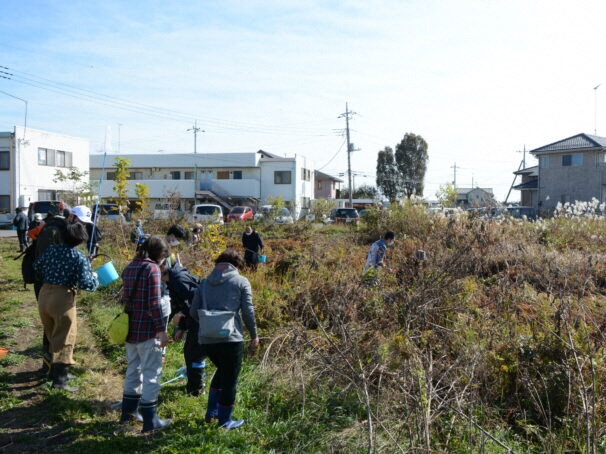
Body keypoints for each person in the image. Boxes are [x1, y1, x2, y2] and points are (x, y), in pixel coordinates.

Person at [190, 248, 259, 429]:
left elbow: (192, 311)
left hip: (207, 339)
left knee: (222, 372)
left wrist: (209, 322)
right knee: (230, 380)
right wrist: (254, 335)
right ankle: (225, 421)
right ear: (237, 265)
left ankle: (212, 411)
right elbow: (248, 312)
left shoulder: (204, 283)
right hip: (231, 339)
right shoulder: (241, 281)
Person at [33, 222, 99, 392]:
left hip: (44, 295)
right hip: (62, 299)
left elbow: (37, 267)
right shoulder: (77, 257)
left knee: (52, 335)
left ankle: (55, 373)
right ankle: (60, 382)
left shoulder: (51, 250)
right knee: (65, 339)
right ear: (79, 240)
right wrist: (94, 274)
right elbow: (88, 284)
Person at [119, 235, 171, 433]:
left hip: (130, 327)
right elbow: (154, 303)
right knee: (151, 373)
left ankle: (128, 413)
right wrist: (161, 330)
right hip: (147, 329)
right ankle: (150, 421)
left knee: (133, 369)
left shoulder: (131, 266)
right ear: (160, 253)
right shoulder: (152, 269)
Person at [164, 261, 206, 396]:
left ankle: (196, 390)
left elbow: (195, 301)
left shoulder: (178, 280)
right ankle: (195, 385)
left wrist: (182, 320)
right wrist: (181, 326)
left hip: (203, 317)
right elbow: (179, 306)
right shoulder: (171, 281)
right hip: (195, 318)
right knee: (191, 352)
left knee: (194, 353)